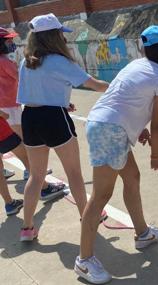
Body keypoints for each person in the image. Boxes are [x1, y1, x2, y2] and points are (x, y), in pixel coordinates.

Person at [75, 25, 158, 284]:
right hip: (110, 130)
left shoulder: (138, 65)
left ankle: (143, 233)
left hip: (110, 127)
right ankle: (84, 260)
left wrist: (136, 129)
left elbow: (127, 101)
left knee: (132, 177)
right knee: (101, 195)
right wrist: (156, 155)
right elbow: (157, 124)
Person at [17, 13, 109, 241]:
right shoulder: (59, 60)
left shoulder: (26, 61)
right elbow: (95, 85)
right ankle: (87, 216)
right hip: (54, 118)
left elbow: (33, 93)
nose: (63, 37)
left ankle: (27, 228)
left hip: (30, 117)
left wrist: (61, 100)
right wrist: (121, 86)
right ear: (53, 36)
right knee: (74, 173)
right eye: (60, 33)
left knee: (36, 176)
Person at [0, 27, 65, 199]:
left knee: (19, 140)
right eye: (8, 41)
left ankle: (32, 171)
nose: (11, 44)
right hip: (10, 105)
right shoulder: (5, 62)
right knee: (25, 141)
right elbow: (22, 79)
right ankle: (34, 174)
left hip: (5, 106)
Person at [0, 110, 23, 216]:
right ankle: (45, 188)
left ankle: (9, 203)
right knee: (27, 157)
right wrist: (5, 115)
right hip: (3, 134)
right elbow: (4, 114)